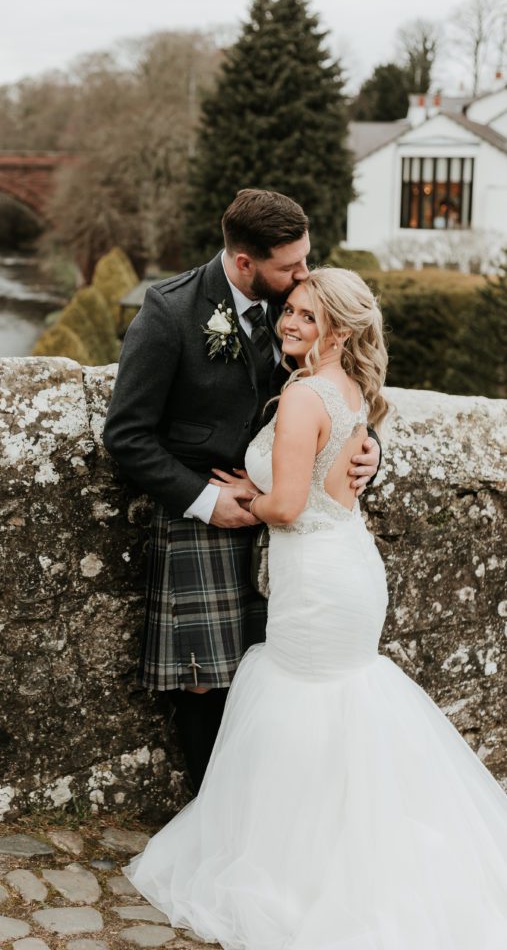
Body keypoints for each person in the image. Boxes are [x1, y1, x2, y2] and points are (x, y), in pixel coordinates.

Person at [124, 268, 507, 948]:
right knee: (341, 707)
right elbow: (330, 470)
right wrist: (271, 475)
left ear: (339, 329)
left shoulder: (301, 397)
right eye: (290, 310)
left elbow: (289, 506)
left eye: (307, 315)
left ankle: (304, 870)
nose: (289, 323)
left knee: (305, 705)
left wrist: (251, 496)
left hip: (318, 579)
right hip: (347, 567)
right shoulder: (350, 388)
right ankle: (342, 852)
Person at [103, 190, 381, 792]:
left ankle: (274, 807)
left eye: (305, 260)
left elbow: (345, 384)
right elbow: (126, 434)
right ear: (244, 262)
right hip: (200, 516)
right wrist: (207, 502)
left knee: (275, 672)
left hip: (287, 523)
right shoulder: (169, 312)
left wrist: (370, 450)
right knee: (207, 677)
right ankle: (214, 812)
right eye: (290, 266)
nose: (303, 274)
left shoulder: (300, 305)